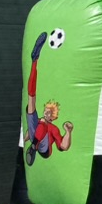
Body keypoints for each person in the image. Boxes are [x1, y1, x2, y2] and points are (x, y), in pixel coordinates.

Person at [24, 31, 73, 166]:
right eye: (46, 110)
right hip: (35, 138)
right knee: (31, 102)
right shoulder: (41, 121)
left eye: (50, 112)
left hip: (45, 150)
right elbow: (30, 131)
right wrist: (25, 139)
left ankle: (33, 147)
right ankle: (35, 60)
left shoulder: (54, 129)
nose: (47, 112)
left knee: (42, 124)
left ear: (54, 117)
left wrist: (68, 132)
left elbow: (63, 146)